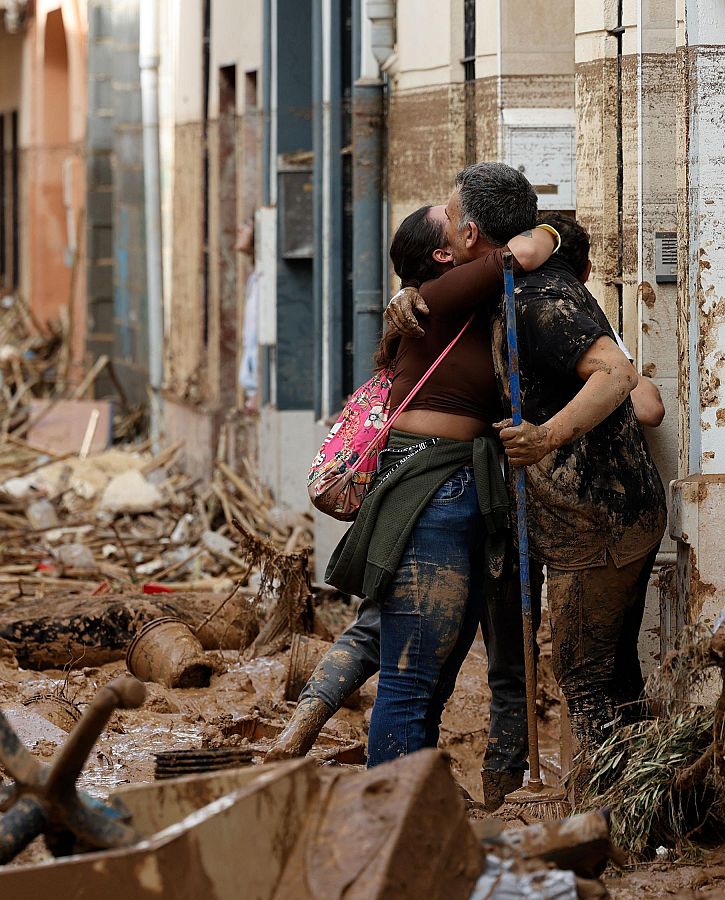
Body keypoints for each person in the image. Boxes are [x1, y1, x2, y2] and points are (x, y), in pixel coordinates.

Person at [272, 200, 556, 808]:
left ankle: (408, 797)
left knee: (422, 658)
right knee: (412, 668)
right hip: (437, 491)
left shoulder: (433, 300)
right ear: (443, 254)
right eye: (455, 218)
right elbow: (532, 247)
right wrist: (556, 226)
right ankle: (388, 809)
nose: (463, 218)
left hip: (433, 488)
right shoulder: (442, 294)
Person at [491, 212, 666, 791]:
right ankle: (640, 799)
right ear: (590, 267)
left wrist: (547, 435)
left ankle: (620, 805)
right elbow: (644, 403)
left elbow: (620, 382)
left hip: (598, 524)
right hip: (610, 518)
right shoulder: (568, 302)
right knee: (612, 673)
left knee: (580, 673)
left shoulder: (547, 305)